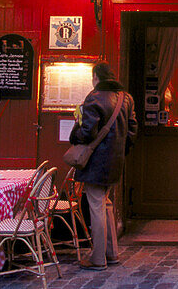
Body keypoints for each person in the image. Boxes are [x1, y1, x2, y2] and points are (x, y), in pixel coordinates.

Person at [68, 62, 137, 270]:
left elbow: (87, 131)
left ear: (96, 77)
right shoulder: (126, 98)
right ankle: (111, 252)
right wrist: (119, 151)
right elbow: (132, 130)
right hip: (115, 160)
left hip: (96, 161)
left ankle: (98, 258)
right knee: (105, 204)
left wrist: (76, 132)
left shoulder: (94, 97)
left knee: (96, 206)